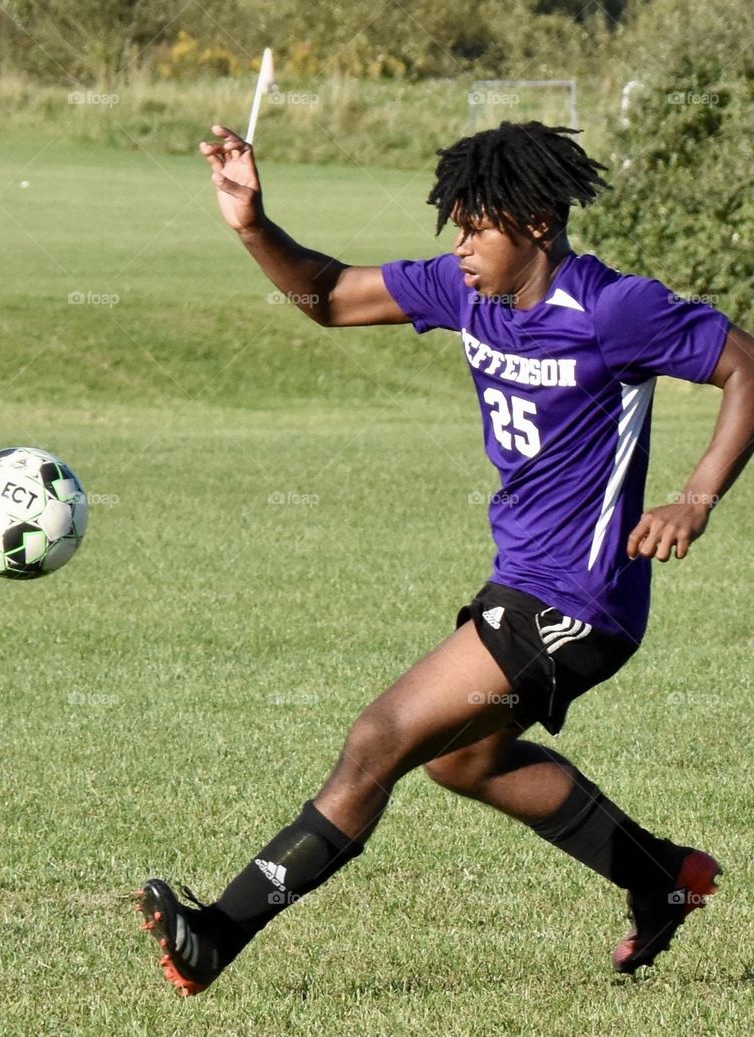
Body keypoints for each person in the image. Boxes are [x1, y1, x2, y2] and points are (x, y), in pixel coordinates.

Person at [137, 120, 754, 996]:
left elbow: (746, 369)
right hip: (523, 585)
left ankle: (216, 935)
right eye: (456, 228)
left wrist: (695, 497)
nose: (460, 247)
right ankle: (659, 875)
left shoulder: (615, 309)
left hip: (579, 600)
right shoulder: (466, 295)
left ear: (537, 223)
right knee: (463, 759)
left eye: (477, 228)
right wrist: (252, 224)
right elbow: (329, 295)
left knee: (379, 738)